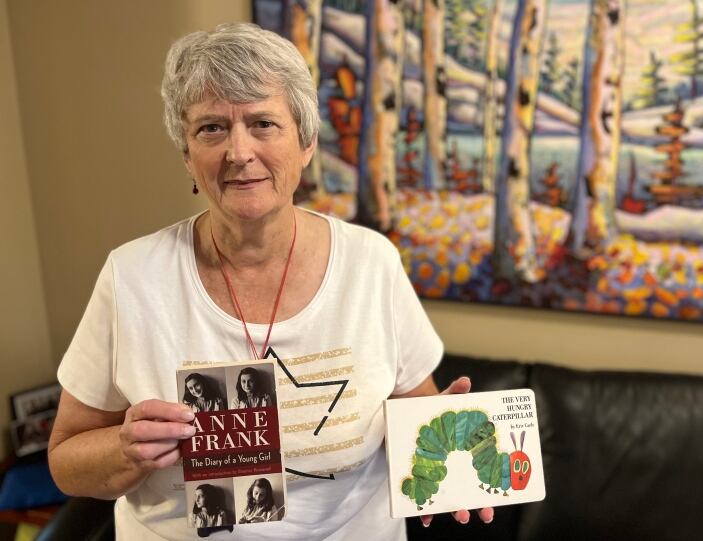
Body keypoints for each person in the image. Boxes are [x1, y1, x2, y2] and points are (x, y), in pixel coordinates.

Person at [48, 22, 492, 541]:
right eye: (211, 128)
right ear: (188, 156)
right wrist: (125, 449)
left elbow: (412, 413)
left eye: (263, 123)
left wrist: (447, 441)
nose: (239, 151)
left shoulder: (371, 263)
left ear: (305, 144)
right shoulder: (132, 277)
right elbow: (65, 459)